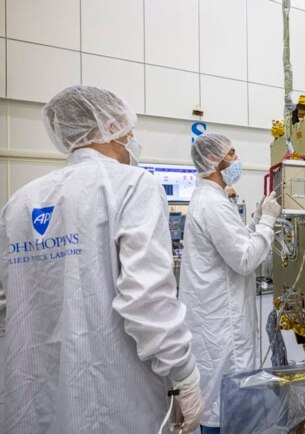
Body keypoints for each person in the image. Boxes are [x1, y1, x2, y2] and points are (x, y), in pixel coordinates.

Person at [0, 85, 204, 434]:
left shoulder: (20, 201)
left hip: (31, 399)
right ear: (110, 127)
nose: (132, 141)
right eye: (130, 131)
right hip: (112, 401)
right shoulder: (130, 185)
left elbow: (6, 304)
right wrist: (183, 375)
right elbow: (147, 301)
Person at [179, 133, 281, 434]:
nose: (237, 159)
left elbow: (233, 244)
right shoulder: (212, 203)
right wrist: (268, 222)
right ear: (213, 161)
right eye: (231, 153)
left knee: (222, 401)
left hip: (216, 321)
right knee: (227, 408)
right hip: (223, 328)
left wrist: (256, 221)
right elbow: (246, 259)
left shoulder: (210, 198)